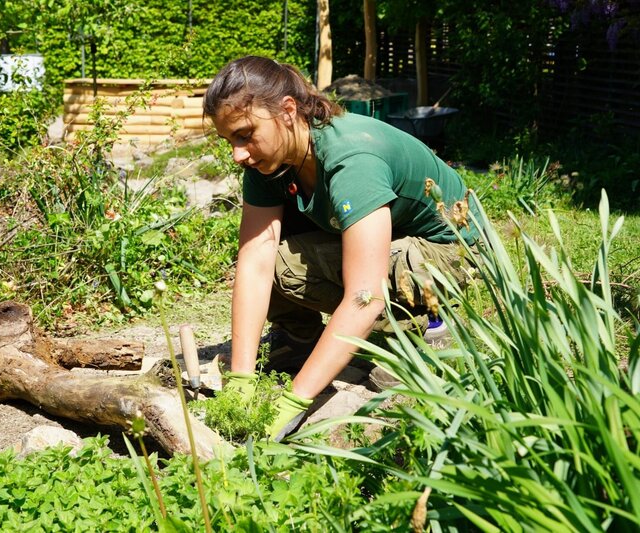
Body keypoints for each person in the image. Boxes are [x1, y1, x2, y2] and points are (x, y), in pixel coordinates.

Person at [203, 55, 481, 441]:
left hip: (447, 252)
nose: (237, 153)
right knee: (273, 253)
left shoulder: (351, 159)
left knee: (367, 278)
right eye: (229, 139)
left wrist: (295, 401)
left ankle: (421, 329)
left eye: (245, 134)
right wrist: (242, 378)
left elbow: (364, 296)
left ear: (287, 111)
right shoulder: (271, 159)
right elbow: (254, 259)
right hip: (390, 235)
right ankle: (299, 340)